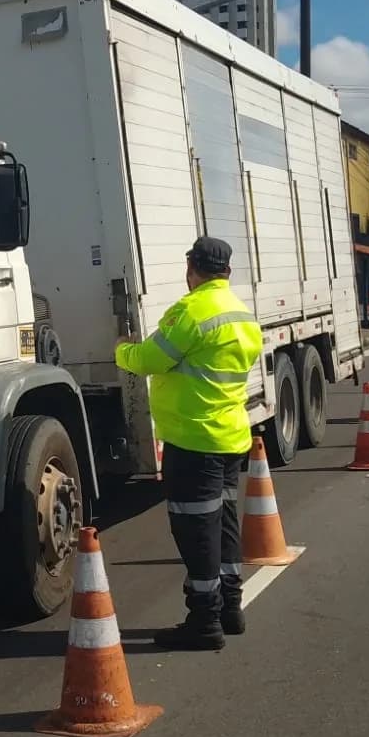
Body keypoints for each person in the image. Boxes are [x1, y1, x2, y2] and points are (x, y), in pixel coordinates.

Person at [115, 236, 261, 651]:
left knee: (197, 529)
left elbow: (149, 359)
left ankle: (204, 622)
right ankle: (230, 608)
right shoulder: (242, 314)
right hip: (230, 437)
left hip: (193, 441)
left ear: (191, 270)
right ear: (227, 271)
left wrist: (122, 352)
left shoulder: (191, 311)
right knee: (224, 523)